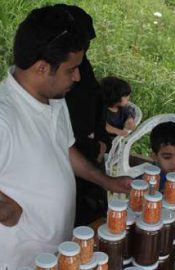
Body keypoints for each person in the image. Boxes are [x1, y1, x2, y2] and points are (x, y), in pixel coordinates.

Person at [0, 6, 131, 268]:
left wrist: (108, 182)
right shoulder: (5, 119)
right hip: (20, 261)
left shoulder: (54, 98)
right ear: (41, 68)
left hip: (59, 249)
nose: (78, 76)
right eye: (71, 69)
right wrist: (4, 208)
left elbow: (66, 151)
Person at [55, 4, 110, 227]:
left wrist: (101, 143)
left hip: (89, 157)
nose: (75, 76)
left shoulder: (81, 69)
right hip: (68, 166)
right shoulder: (52, 77)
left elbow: (97, 107)